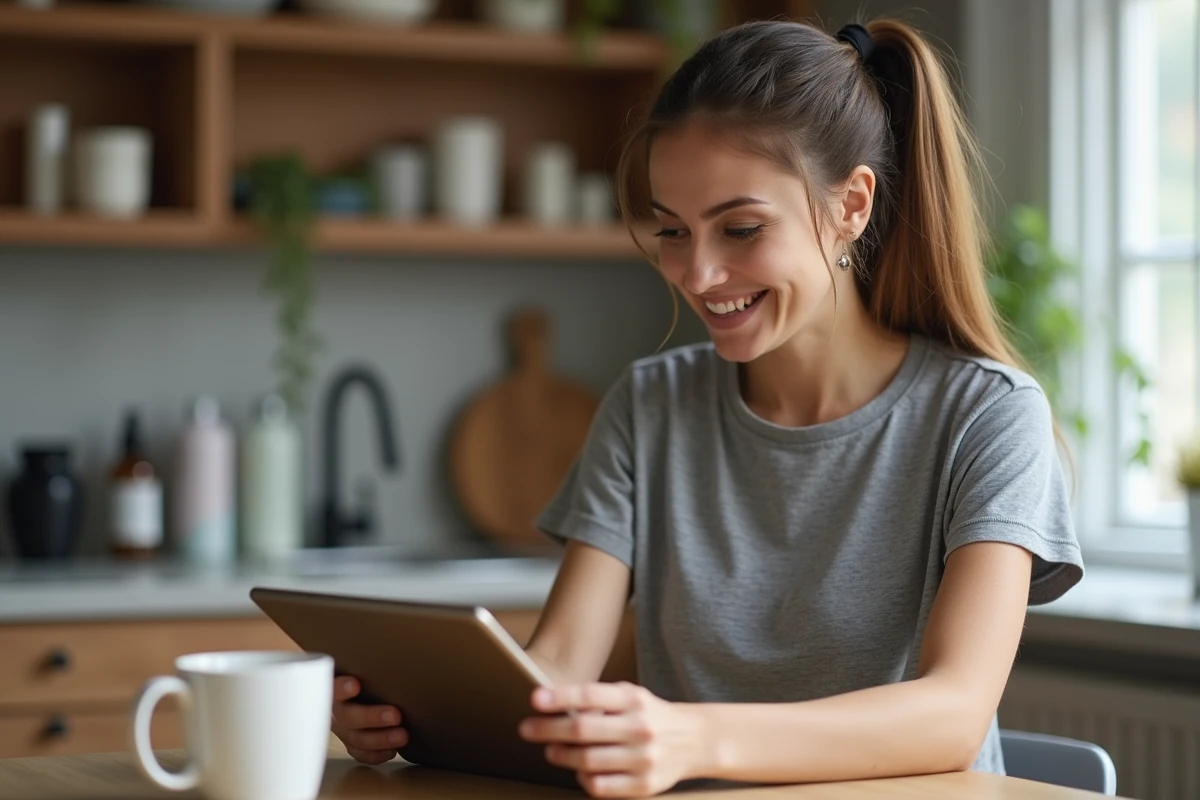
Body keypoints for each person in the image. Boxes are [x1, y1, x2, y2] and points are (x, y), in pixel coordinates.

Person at [330, 17, 1083, 798]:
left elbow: (953, 715)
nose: (698, 272)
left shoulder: (988, 417)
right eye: (673, 230)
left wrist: (695, 736)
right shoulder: (649, 407)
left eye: (742, 228)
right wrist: (413, 720)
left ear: (851, 207)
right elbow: (553, 672)